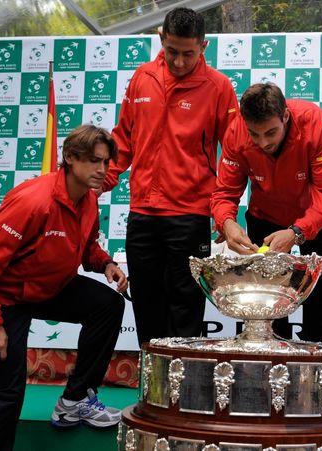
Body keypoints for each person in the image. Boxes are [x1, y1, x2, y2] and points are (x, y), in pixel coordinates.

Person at [0, 125, 128, 451]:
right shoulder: (34, 201)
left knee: (107, 304)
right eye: (94, 161)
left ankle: (75, 399)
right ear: (69, 158)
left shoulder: (89, 199)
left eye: (105, 162)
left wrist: (105, 263)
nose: (102, 170)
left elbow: (86, 246)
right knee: (6, 395)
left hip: (43, 287)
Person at [101, 7, 238, 344]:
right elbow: (123, 141)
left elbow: (234, 156)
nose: (179, 61)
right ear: (160, 39)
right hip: (143, 213)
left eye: (188, 53)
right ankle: (152, 393)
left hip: (190, 216)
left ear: (204, 46)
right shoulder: (142, 77)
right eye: (172, 51)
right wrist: (97, 184)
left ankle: (180, 395)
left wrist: (224, 214)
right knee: (146, 306)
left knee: (185, 307)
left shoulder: (219, 87)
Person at [211, 83, 322, 342]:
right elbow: (224, 192)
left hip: (316, 218)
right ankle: (267, 373)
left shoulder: (314, 122)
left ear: (285, 116)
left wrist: (297, 232)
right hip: (265, 217)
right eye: (255, 135)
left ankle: (319, 374)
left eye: (271, 132)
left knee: (321, 299)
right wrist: (226, 221)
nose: (263, 142)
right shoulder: (236, 130)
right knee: (263, 303)